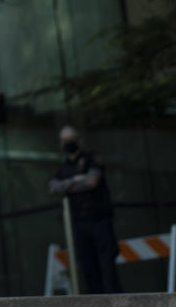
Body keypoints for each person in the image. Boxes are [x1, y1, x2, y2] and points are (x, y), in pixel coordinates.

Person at [49, 126, 123, 294]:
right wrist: (78, 178)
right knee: (88, 267)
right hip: (78, 223)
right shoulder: (62, 167)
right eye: (65, 140)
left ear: (79, 139)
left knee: (107, 267)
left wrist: (68, 184)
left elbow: (92, 181)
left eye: (71, 138)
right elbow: (53, 188)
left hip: (100, 220)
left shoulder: (92, 159)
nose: (69, 143)